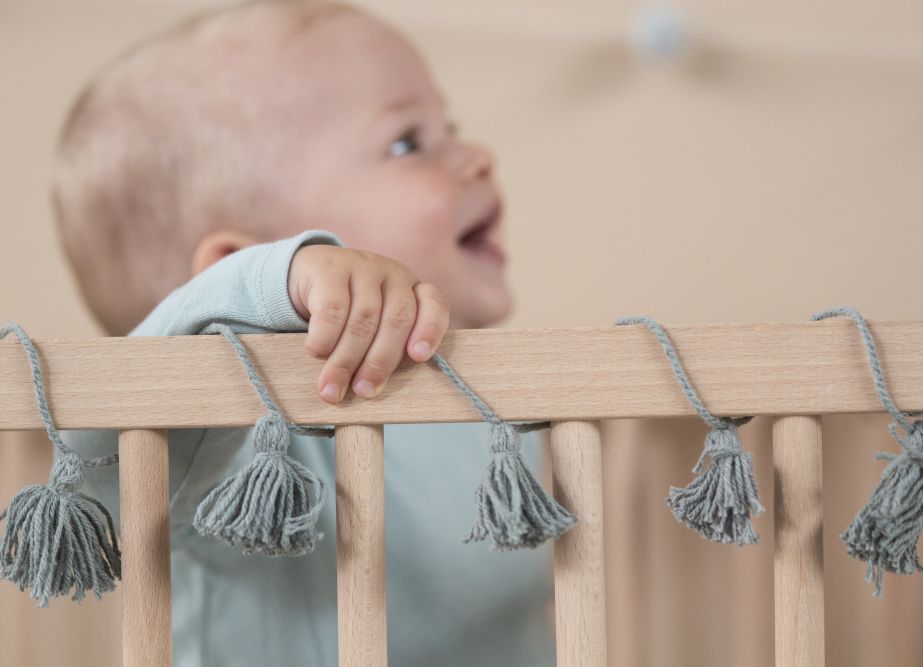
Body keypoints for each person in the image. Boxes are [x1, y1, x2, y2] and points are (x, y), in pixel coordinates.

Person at [51, 1, 557, 664]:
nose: (478, 157)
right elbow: (113, 443)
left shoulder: (496, 404)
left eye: (451, 129)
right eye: (407, 143)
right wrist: (278, 280)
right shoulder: (241, 439)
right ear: (240, 270)